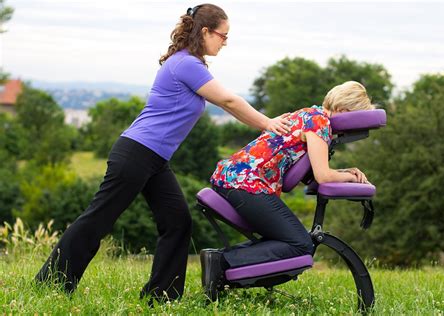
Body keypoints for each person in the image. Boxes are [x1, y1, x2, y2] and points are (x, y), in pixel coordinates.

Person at [35, 4, 291, 304]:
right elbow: (229, 101)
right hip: (136, 153)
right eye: (223, 35)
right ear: (206, 31)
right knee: (99, 219)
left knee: (177, 222)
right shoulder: (186, 64)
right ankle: (52, 282)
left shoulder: (190, 63)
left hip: (153, 160)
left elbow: (228, 104)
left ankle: (162, 296)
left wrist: (266, 127)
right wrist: (269, 123)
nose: (225, 42)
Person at [203, 81, 375, 295]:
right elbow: (323, 176)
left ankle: (217, 262)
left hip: (233, 178)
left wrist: (344, 172)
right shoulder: (320, 123)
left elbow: (312, 172)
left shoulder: (309, 114)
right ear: (344, 111)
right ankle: (221, 262)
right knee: (300, 244)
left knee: (290, 239)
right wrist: (350, 176)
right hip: (246, 184)